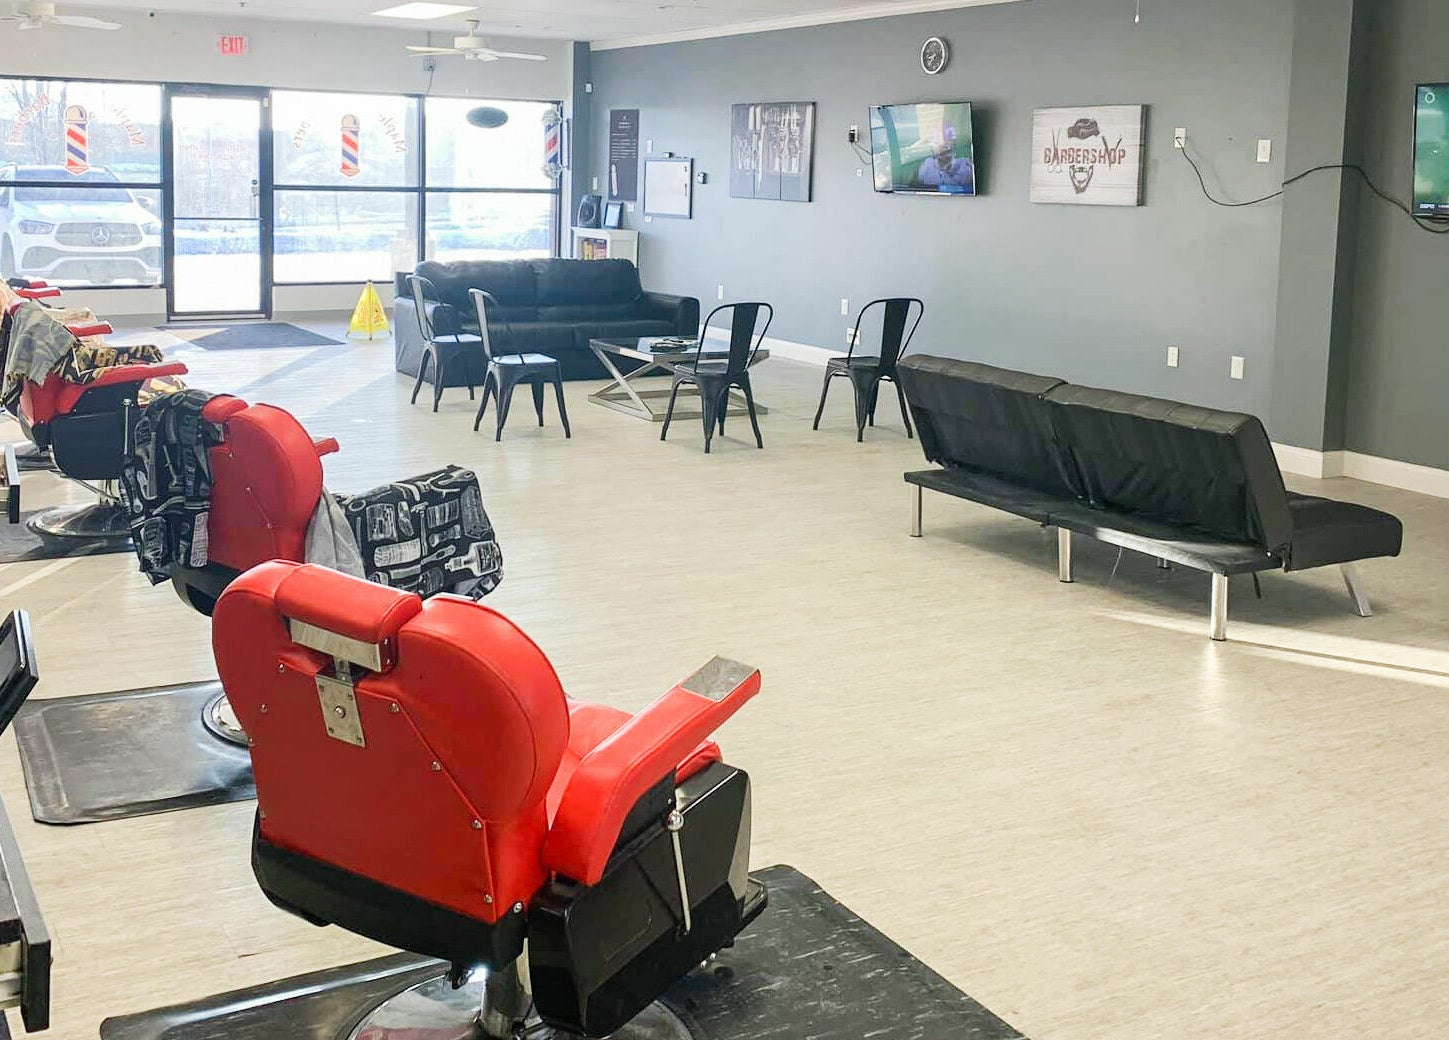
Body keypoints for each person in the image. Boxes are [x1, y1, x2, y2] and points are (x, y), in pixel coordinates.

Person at [915, 127, 974, 193]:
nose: (941, 146)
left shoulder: (968, 168)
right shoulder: (926, 167)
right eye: (935, 142)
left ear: (952, 144)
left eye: (946, 142)